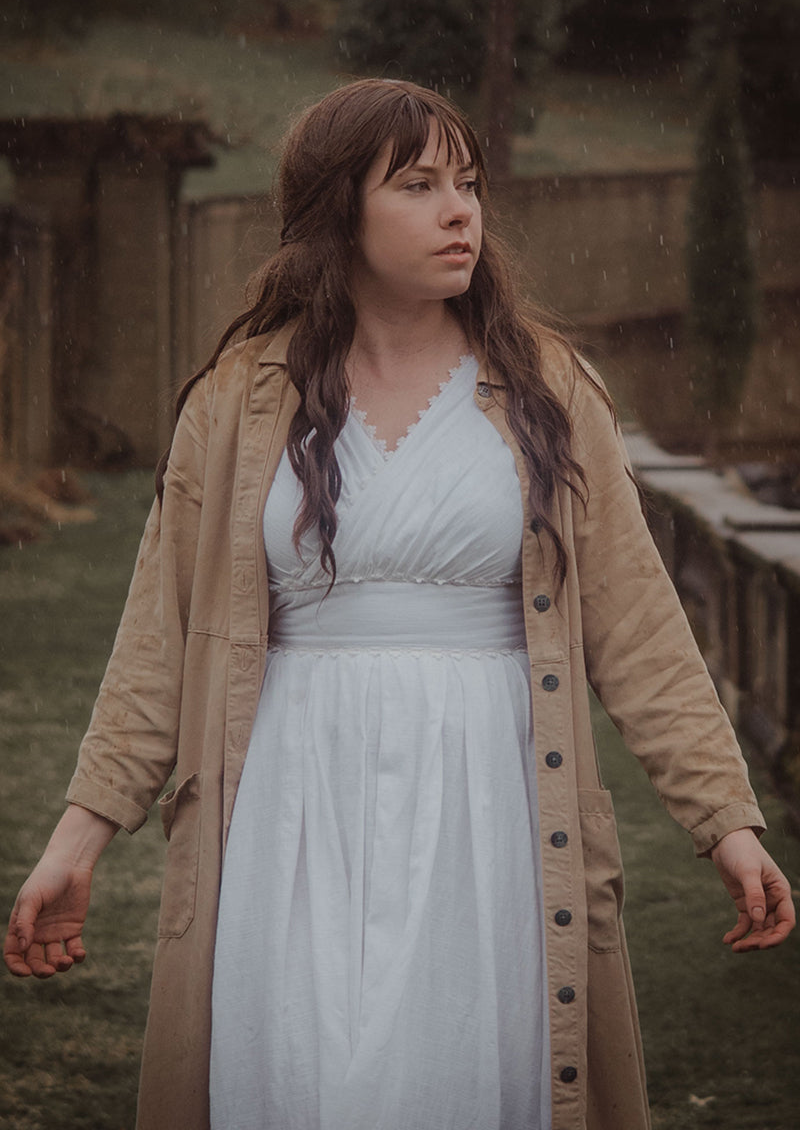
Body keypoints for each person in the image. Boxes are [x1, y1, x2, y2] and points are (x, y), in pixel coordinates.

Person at [4, 79, 795, 1130]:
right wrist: (77, 841)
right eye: (418, 186)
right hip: (290, 804)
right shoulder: (236, 400)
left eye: (467, 184)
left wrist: (723, 820)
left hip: (491, 801)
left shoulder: (550, 390)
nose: (460, 211)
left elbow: (639, 624)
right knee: (297, 1077)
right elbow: (160, 642)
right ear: (338, 211)